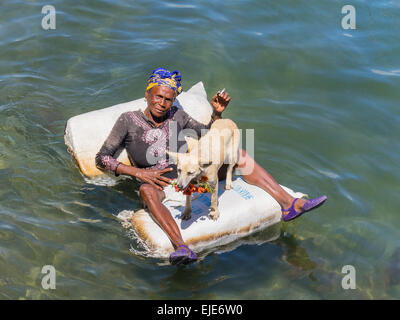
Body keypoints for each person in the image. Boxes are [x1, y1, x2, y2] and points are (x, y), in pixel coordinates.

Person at [96, 67, 327, 265]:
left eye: (167, 99)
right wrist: (138, 173)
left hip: (193, 176)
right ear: (147, 94)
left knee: (240, 155)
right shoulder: (128, 120)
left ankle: (290, 205)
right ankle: (181, 247)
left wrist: (217, 113)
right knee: (146, 191)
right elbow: (103, 157)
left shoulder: (179, 116)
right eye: (157, 96)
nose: (162, 103)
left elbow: (208, 137)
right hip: (157, 184)